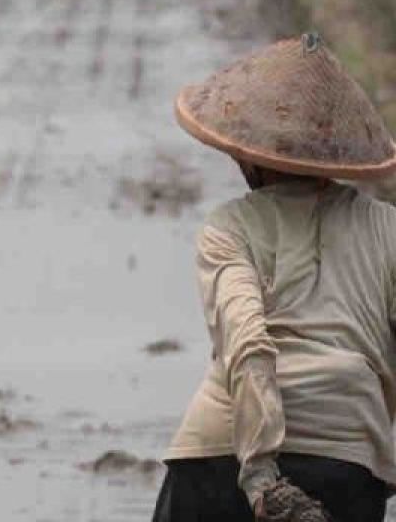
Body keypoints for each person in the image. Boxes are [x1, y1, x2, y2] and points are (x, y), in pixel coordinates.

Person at [153, 32, 396, 522]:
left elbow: (248, 344)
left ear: (248, 157)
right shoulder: (389, 230)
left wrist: (263, 480)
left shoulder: (230, 225)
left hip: (219, 458)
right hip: (343, 461)